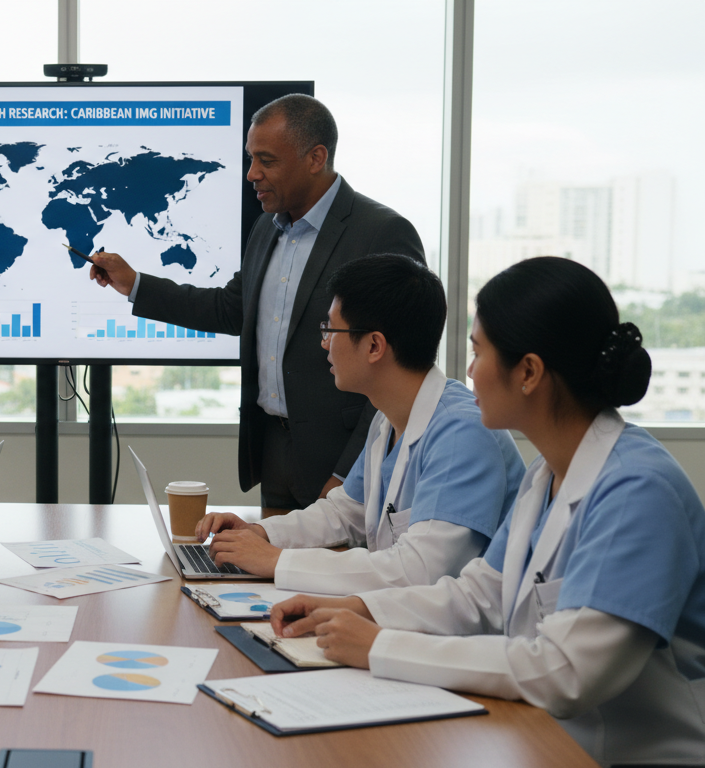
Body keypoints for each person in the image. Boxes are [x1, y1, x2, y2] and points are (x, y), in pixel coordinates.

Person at [269, 257, 705, 766]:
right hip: (542, 737)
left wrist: (380, 645)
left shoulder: (638, 491)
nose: (469, 370)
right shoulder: (547, 473)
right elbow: (480, 596)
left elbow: (565, 671)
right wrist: (363, 610)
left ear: (528, 372)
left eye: (478, 352)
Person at [89, 93, 426, 514]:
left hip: (342, 465)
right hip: (273, 452)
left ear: (315, 157)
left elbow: (399, 369)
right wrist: (135, 283)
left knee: (334, 579)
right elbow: (231, 308)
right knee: (270, 576)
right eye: (251, 159)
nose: (252, 174)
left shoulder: (381, 233)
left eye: (266, 161)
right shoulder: (267, 228)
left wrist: (348, 471)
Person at [195, 254, 526, 594]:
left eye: (330, 329)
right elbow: (346, 512)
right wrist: (260, 534)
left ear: (373, 345)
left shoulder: (462, 433)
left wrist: (276, 560)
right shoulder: (389, 417)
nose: (324, 342)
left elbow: (420, 570)